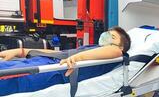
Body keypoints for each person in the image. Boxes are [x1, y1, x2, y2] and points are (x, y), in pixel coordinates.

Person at [0, 26, 131, 76]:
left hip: (54, 70)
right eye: (107, 33)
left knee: (7, 78)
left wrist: (76, 59)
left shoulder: (116, 53)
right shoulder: (91, 48)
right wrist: (22, 51)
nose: (106, 36)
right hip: (46, 62)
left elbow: (116, 52)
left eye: (112, 37)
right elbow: (61, 54)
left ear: (120, 46)